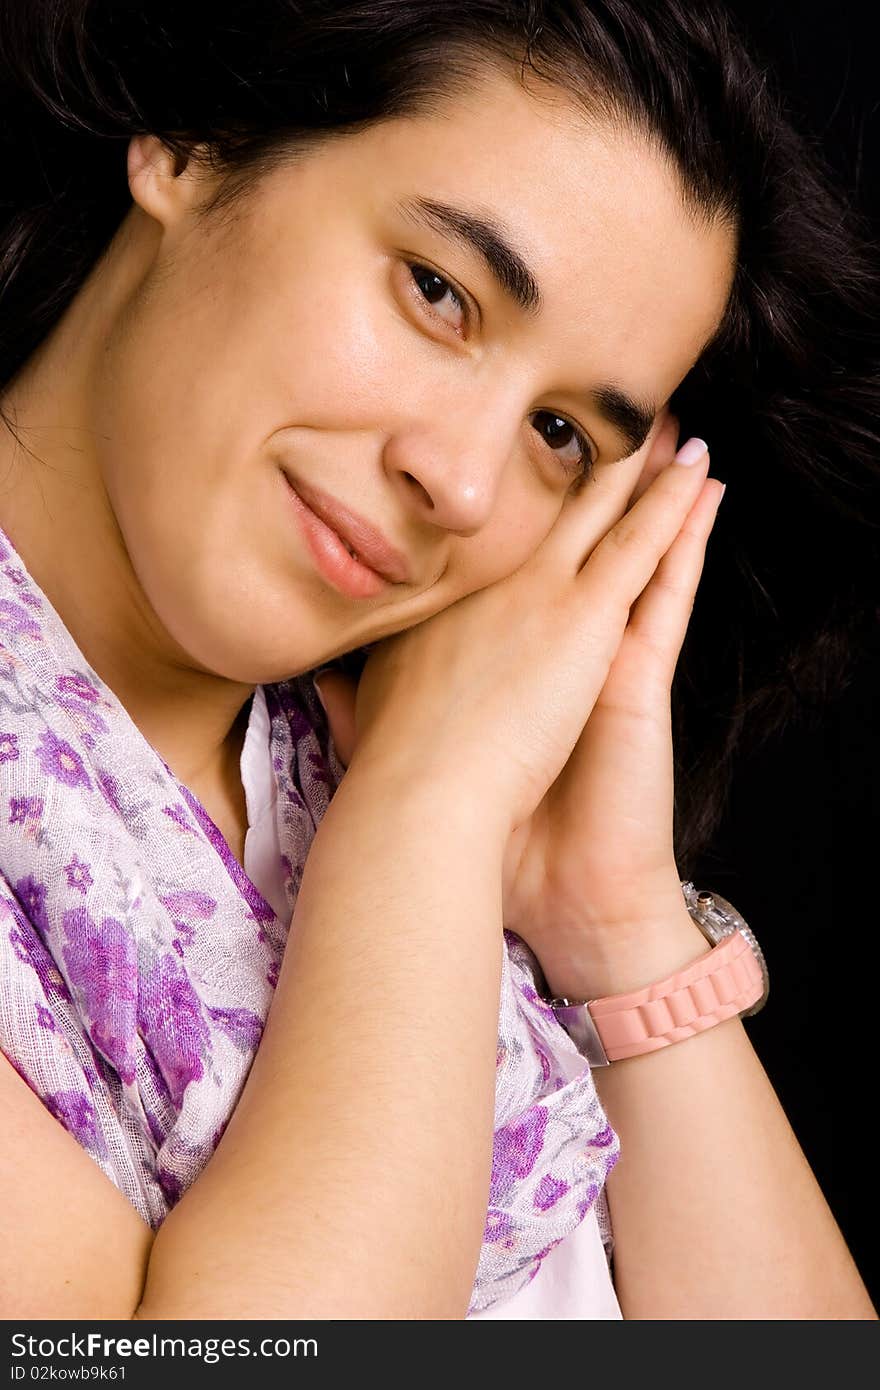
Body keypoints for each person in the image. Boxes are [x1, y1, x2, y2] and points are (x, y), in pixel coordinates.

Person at [0, 0, 876, 1321]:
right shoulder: (430, 787)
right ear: (192, 142)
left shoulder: (401, 761)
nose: (460, 480)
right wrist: (424, 814)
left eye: (563, 433)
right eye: (438, 292)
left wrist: (615, 916)